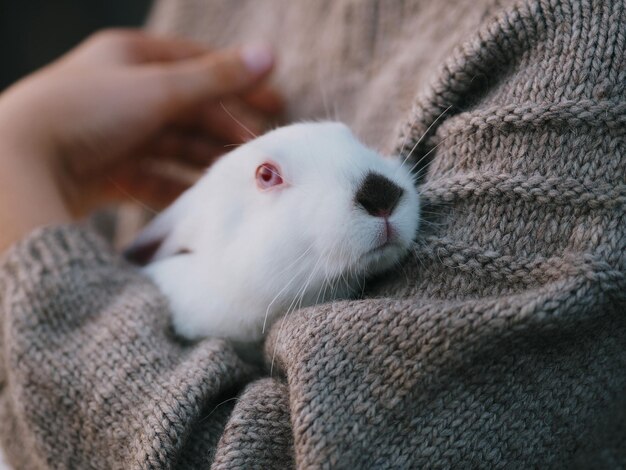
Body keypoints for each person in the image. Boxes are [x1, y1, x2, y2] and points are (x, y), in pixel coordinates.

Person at [1, 0, 625, 468]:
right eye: (271, 176)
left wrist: (18, 163)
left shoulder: (576, 43)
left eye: (356, 146)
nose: (376, 179)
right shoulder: (198, 12)